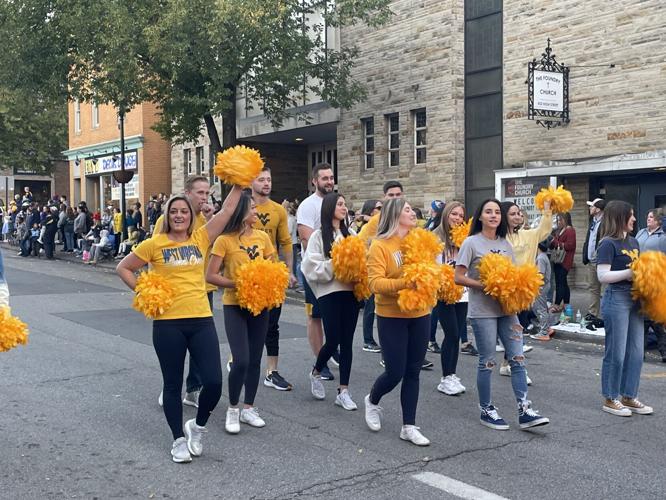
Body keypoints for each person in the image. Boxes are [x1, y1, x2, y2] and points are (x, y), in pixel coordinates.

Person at [116, 186, 241, 463]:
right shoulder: (155, 244)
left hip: (200, 319)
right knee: (172, 384)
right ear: (167, 215)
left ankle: (197, 427)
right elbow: (123, 267)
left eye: (184, 211)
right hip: (167, 324)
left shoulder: (201, 237)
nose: (179, 215)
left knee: (213, 381)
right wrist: (144, 292)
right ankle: (178, 440)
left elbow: (228, 210)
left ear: (191, 215)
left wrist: (240, 184)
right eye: (174, 211)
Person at [455, 199, 550, 431]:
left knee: (517, 358)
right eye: (488, 211)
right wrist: (484, 285)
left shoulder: (505, 245)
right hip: (483, 311)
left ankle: (524, 409)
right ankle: (486, 409)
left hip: (507, 310)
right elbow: (458, 277)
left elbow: (510, 277)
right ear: (480, 217)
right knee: (487, 361)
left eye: (497, 212)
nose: (494, 216)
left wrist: (516, 292)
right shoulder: (471, 243)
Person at [364, 198, 432, 446]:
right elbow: (375, 284)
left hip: (420, 314)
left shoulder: (420, 240)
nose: (413, 213)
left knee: (413, 371)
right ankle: (372, 400)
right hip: (391, 315)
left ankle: (409, 426)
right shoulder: (380, 246)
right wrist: (406, 283)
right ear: (394, 214)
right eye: (407, 210)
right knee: (395, 372)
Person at [206, 193, 274, 434]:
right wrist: (239, 284)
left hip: (260, 305)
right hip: (234, 305)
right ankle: (233, 408)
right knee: (241, 359)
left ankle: (249, 408)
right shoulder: (224, 241)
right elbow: (211, 275)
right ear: (242, 212)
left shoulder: (263, 237)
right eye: (253, 208)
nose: (257, 211)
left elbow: (273, 267)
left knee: (255, 359)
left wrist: (268, 281)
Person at [153, 176, 216, 408]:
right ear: (187, 193)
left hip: (201, 288)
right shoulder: (168, 219)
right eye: (200, 193)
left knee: (200, 345)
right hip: (172, 293)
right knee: (174, 349)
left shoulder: (204, 220)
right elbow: (154, 254)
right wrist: (155, 289)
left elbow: (215, 248)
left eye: (207, 193)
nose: (204, 198)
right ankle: (170, 386)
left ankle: (193, 388)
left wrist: (209, 219)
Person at [302, 192, 360, 410]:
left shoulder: (351, 233)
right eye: (339, 204)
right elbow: (310, 267)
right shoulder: (318, 236)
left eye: (345, 204)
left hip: (351, 293)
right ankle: (316, 371)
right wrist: (337, 264)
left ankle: (343, 390)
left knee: (347, 342)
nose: (344, 208)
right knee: (333, 338)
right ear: (329, 208)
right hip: (329, 293)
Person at [596, 200, 653, 416]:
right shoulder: (608, 243)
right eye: (630, 215)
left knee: (637, 353)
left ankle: (629, 396)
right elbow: (603, 276)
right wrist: (630, 273)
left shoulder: (634, 242)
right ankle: (610, 398)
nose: (634, 219)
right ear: (620, 217)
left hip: (635, 299)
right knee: (616, 353)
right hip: (616, 297)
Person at [251, 167, 298, 391]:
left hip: (272, 276)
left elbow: (286, 243)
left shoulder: (278, 210)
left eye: (269, 179)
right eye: (261, 179)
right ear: (251, 183)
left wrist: (289, 270)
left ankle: (272, 371)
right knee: (247, 324)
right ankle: (240, 361)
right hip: (247, 277)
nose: (267, 183)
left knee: (272, 326)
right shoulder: (242, 207)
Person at [497, 200, 552, 377]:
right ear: (504, 216)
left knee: (518, 327)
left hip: (523, 291)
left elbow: (544, 231)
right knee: (511, 328)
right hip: (504, 290)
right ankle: (513, 363)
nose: (517, 216)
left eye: (519, 213)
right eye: (512, 214)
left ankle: (508, 363)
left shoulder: (527, 235)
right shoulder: (498, 238)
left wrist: (547, 211)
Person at [297, 164, 336, 380]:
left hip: (335, 270)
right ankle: (320, 361)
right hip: (314, 270)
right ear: (314, 181)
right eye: (324, 178)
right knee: (315, 316)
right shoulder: (308, 205)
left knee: (333, 313)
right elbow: (306, 237)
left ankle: (331, 349)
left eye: (331, 177)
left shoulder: (336, 202)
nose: (329, 181)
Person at [432, 201, 470, 395]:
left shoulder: (464, 238)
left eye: (461, 215)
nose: (457, 218)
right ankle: (445, 378)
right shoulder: (435, 237)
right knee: (452, 334)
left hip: (462, 292)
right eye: (454, 214)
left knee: (455, 336)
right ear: (446, 215)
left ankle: (452, 375)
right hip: (443, 293)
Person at [636, 208, 666, 362]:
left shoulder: (663, 237)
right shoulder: (640, 232)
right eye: (647, 217)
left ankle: (662, 351)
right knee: (643, 316)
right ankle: (640, 352)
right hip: (639, 278)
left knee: (652, 317)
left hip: (654, 280)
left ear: (658, 221)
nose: (648, 219)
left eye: (651, 218)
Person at [357, 199, 382, 353]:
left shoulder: (381, 227)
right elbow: (360, 249)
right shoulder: (366, 228)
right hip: (370, 273)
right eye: (379, 208)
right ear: (371, 211)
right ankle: (368, 340)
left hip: (381, 272)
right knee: (370, 308)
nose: (382, 210)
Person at [583, 198, 606, 322]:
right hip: (592, 261)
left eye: (592, 206)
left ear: (597, 209)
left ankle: (606, 313)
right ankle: (593, 313)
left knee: (606, 289)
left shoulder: (606, 223)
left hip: (602, 261)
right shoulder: (593, 222)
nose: (590, 208)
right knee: (593, 288)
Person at [549, 212, 576, 312]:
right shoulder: (560, 230)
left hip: (565, 260)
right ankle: (566, 304)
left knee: (560, 282)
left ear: (565, 219)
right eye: (558, 220)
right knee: (563, 282)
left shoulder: (570, 231)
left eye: (560, 220)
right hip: (558, 260)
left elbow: (570, 245)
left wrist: (555, 242)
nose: (558, 222)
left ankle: (556, 304)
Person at [530, 241, 557, 341]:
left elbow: (540, 274)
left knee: (539, 308)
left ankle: (544, 332)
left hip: (541, 286)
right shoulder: (544, 256)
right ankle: (547, 328)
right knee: (543, 308)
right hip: (544, 285)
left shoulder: (541, 257)